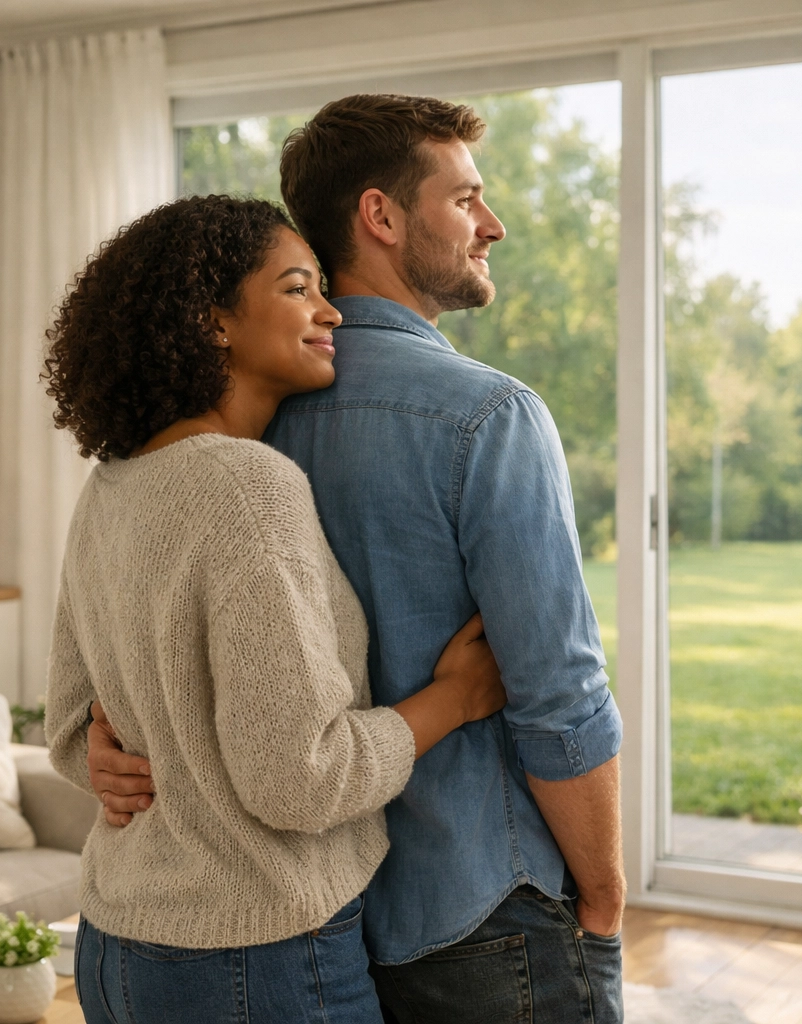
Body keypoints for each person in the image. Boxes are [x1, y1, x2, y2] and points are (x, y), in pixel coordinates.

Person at [90, 94, 626, 1022]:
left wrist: (107, 737)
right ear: (380, 215)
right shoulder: (487, 416)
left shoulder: (212, 423)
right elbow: (559, 693)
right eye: (466, 199)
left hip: (308, 927)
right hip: (474, 908)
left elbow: (140, 634)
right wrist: (608, 893)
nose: (492, 226)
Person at [42, 195, 507, 1024]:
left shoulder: (111, 481)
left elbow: (73, 731)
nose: (331, 310)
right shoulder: (247, 487)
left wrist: (102, 764)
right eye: (297, 289)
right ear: (212, 321)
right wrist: (456, 699)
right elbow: (301, 781)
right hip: (250, 962)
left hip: (114, 950)